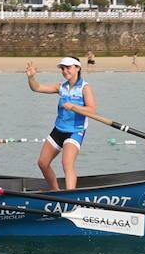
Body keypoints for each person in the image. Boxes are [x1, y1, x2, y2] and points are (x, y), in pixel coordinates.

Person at [26, 56, 97, 190]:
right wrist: (31, 78)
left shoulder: (84, 88)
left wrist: (75, 107)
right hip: (58, 129)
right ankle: (55, 191)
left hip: (75, 131)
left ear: (77, 68)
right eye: (63, 68)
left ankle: (70, 196)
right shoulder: (61, 87)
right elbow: (37, 88)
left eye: (68, 68)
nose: (65, 71)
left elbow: (92, 110)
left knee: (67, 164)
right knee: (42, 163)